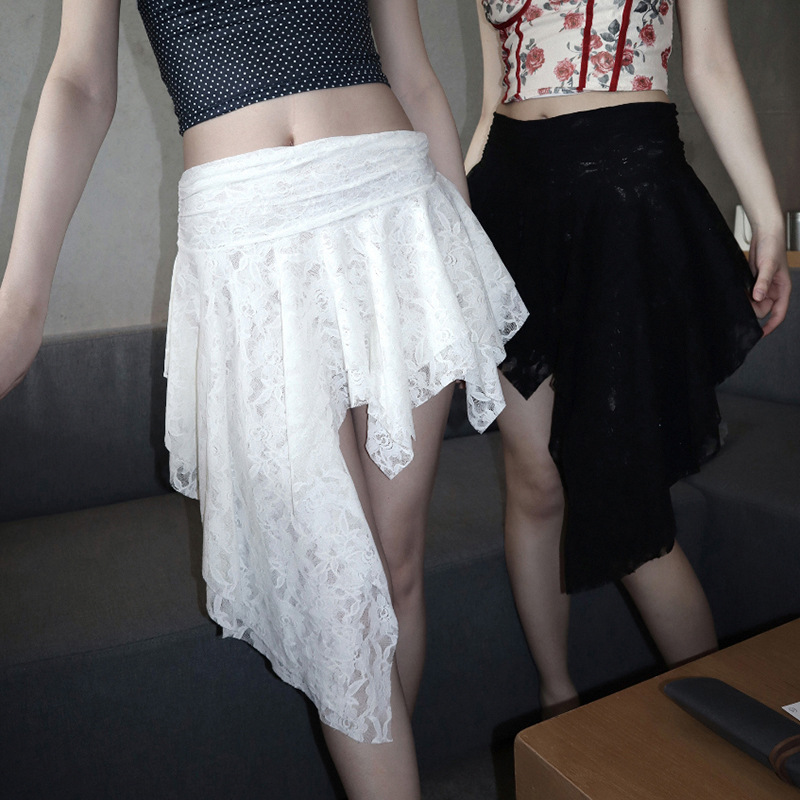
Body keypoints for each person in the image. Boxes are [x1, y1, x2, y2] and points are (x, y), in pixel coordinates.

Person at [0, 1, 527, 797]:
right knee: (336, 591)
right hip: (246, 236)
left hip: (393, 209)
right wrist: (22, 298)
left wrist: (464, 258)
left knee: (395, 565)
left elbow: (414, 75)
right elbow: (80, 83)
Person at [466, 0, 791, 717]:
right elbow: (492, 102)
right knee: (533, 480)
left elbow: (710, 61)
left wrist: (768, 217)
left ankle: (728, 731)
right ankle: (557, 704)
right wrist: (457, 227)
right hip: (507, 199)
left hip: (623, 189)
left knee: (620, 491)